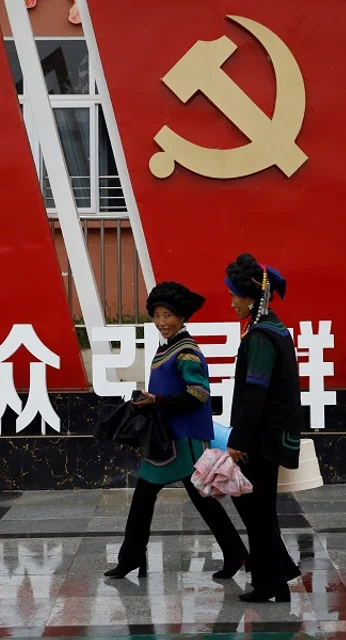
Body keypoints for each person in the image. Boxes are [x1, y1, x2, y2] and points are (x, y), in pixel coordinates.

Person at [104, 281, 248, 579]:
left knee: (171, 497)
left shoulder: (186, 351)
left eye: (167, 315)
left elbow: (199, 393)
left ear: (182, 317)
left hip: (183, 438)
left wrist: (157, 400)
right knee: (184, 498)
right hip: (167, 437)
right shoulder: (167, 348)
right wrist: (150, 401)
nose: (161, 322)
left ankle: (133, 558)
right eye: (157, 315)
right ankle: (234, 554)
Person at [224, 253, 305, 603]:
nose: (231, 303)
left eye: (235, 297)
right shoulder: (274, 328)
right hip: (269, 435)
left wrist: (238, 439)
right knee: (260, 510)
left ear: (251, 299)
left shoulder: (260, 336)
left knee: (258, 512)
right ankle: (275, 579)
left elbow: (255, 393)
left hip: (260, 439)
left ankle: (274, 581)